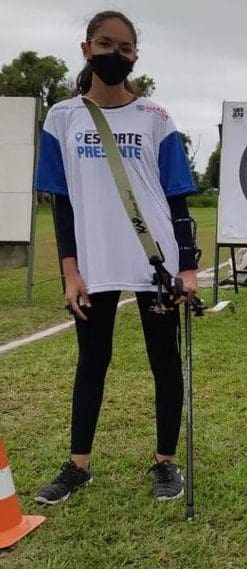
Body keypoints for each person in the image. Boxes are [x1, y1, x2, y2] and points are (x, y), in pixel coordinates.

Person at [34, 10, 198, 504]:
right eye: (105, 44)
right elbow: (61, 202)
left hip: (156, 263)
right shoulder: (62, 118)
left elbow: (177, 198)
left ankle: (166, 464)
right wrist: (70, 273)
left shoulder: (156, 117)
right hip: (95, 265)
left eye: (125, 49)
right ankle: (78, 465)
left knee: (164, 362)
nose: (115, 55)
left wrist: (187, 267)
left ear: (135, 58)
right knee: (92, 361)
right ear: (87, 49)